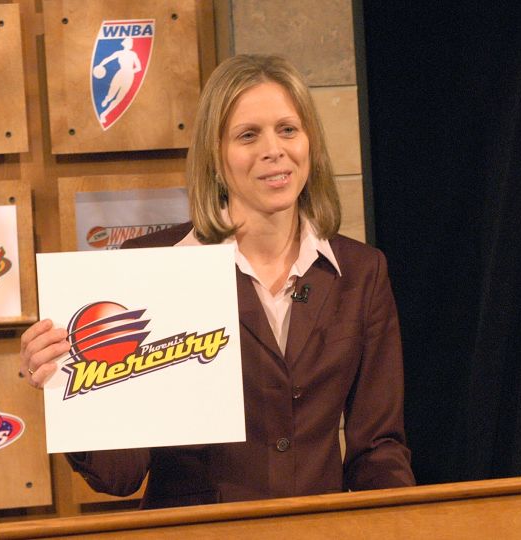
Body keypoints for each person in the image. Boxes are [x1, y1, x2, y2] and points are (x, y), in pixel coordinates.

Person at [21, 54, 415, 508]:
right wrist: (67, 383)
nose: (274, 149)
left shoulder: (362, 272)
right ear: (215, 155)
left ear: (311, 143)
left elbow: (378, 450)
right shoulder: (152, 266)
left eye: (288, 129)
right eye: (249, 135)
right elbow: (119, 474)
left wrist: (399, 525)